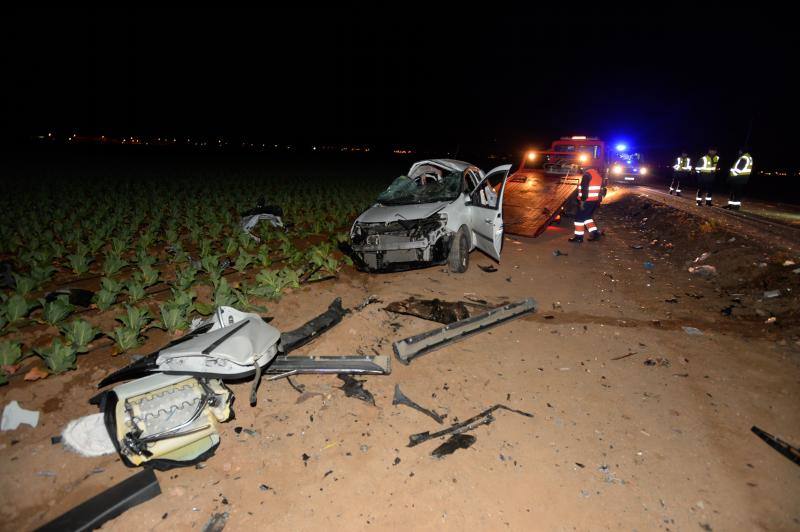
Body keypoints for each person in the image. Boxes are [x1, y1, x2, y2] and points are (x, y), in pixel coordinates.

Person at [569, 165, 604, 242]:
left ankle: (579, 238)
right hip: (594, 201)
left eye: (582, 167)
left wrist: (582, 202)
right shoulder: (598, 175)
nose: (582, 169)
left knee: (579, 219)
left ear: (585, 168)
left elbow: (584, 190)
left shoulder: (587, 175)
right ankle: (595, 234)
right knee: (587, 218)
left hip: (586, 201)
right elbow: (601, 190)